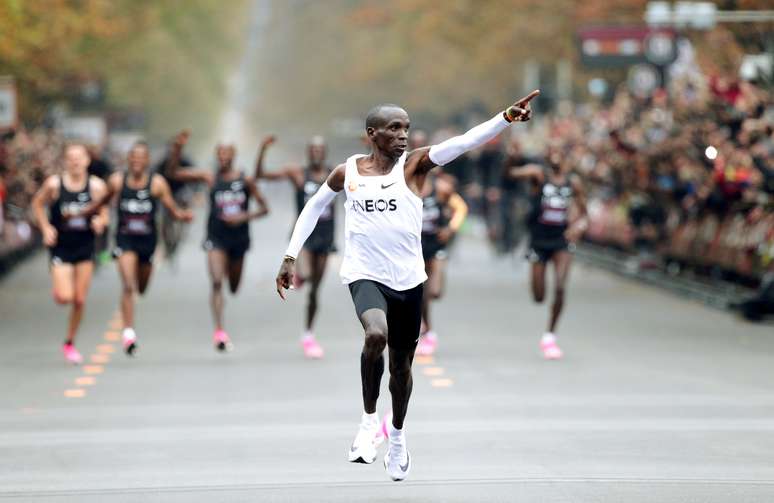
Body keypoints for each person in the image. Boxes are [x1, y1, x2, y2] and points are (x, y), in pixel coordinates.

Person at [275, 90, 539, 481]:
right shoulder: (347, 172)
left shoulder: (415, 166)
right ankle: (367, 424)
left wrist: (505, 118)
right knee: (375, 335)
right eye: (393, 128)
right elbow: (314, 206)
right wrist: (290, 255)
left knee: (401, 369)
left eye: (406, 128)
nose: (403, 136)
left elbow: (463, 143)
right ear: (371, 133)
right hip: (364, 273)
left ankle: (396, 435)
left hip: (409, 280)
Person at [168, 133, 269, 351]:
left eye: (227, 153)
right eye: (219, 153)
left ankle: (222, 320)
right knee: (216, 282)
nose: (222, 157)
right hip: (216, 237)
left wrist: (241, 217)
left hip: (239, 240)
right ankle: (220, 331)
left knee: (232, 287)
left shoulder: (245, 180)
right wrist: (177, 149)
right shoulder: (210, 178)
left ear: (234, 155)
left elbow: (264, 208)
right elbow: (174, 173)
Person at [103, 142, 193, 355]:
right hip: (125, 239)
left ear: (147, 161)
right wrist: (99, 217)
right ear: (128, 159)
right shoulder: (117, 181)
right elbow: (102, 203)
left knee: (141, 288)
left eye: (140, 157)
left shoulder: (157, 183)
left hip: (147, 241)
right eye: (132, 157)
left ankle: (131, 318)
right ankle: (128, 333)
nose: (136, 161)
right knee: (128, 285)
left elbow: (171, 208)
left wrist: (183, 215)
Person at [255, 135, 335, 359]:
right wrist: (262, 150)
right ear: (308, 153)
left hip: (326, 238)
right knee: (308, 275)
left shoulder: (335, 174)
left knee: (315, 290)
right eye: (313, 149)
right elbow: (261, 175)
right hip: (305, 238)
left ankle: (308, 334)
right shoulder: (298, 174)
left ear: (325, 152)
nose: (316, 153)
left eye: (320, 149)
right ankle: (299, 274)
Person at [31, 143, 110, 364]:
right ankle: (59, 288)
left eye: (79, 157)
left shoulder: (95, 186)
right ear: (65, 161)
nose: (75, 161)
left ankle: (69, 342)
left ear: (87, 160)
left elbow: (105, 213)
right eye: (71, 158)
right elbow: (37, 204)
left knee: (79, 299)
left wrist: (99, 221)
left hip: (85, 246)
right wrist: (46, 228)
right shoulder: (55, 184)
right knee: (65, 297)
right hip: (62, 246)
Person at [509, 147, 587, 360]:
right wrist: (512, 158)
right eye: (552, 154)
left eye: (560, 154)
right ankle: (538, 287)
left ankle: (550, 335)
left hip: (562, 240)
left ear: (566, 160)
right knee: (539, 296)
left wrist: (578, 227)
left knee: (561, 287)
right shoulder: (538, 176)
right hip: (539, 240)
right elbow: (511, 173)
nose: (556, 158)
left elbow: (584, 214)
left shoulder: (574, 183)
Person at [416, 172, 468, 356]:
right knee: (420, 292)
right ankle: (428, 331)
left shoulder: (440, 189)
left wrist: (451, 229)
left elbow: (461, 208)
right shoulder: (406, 185)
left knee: (434, 292)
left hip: (436, 244)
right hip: (414, 247)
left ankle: (424, 324)